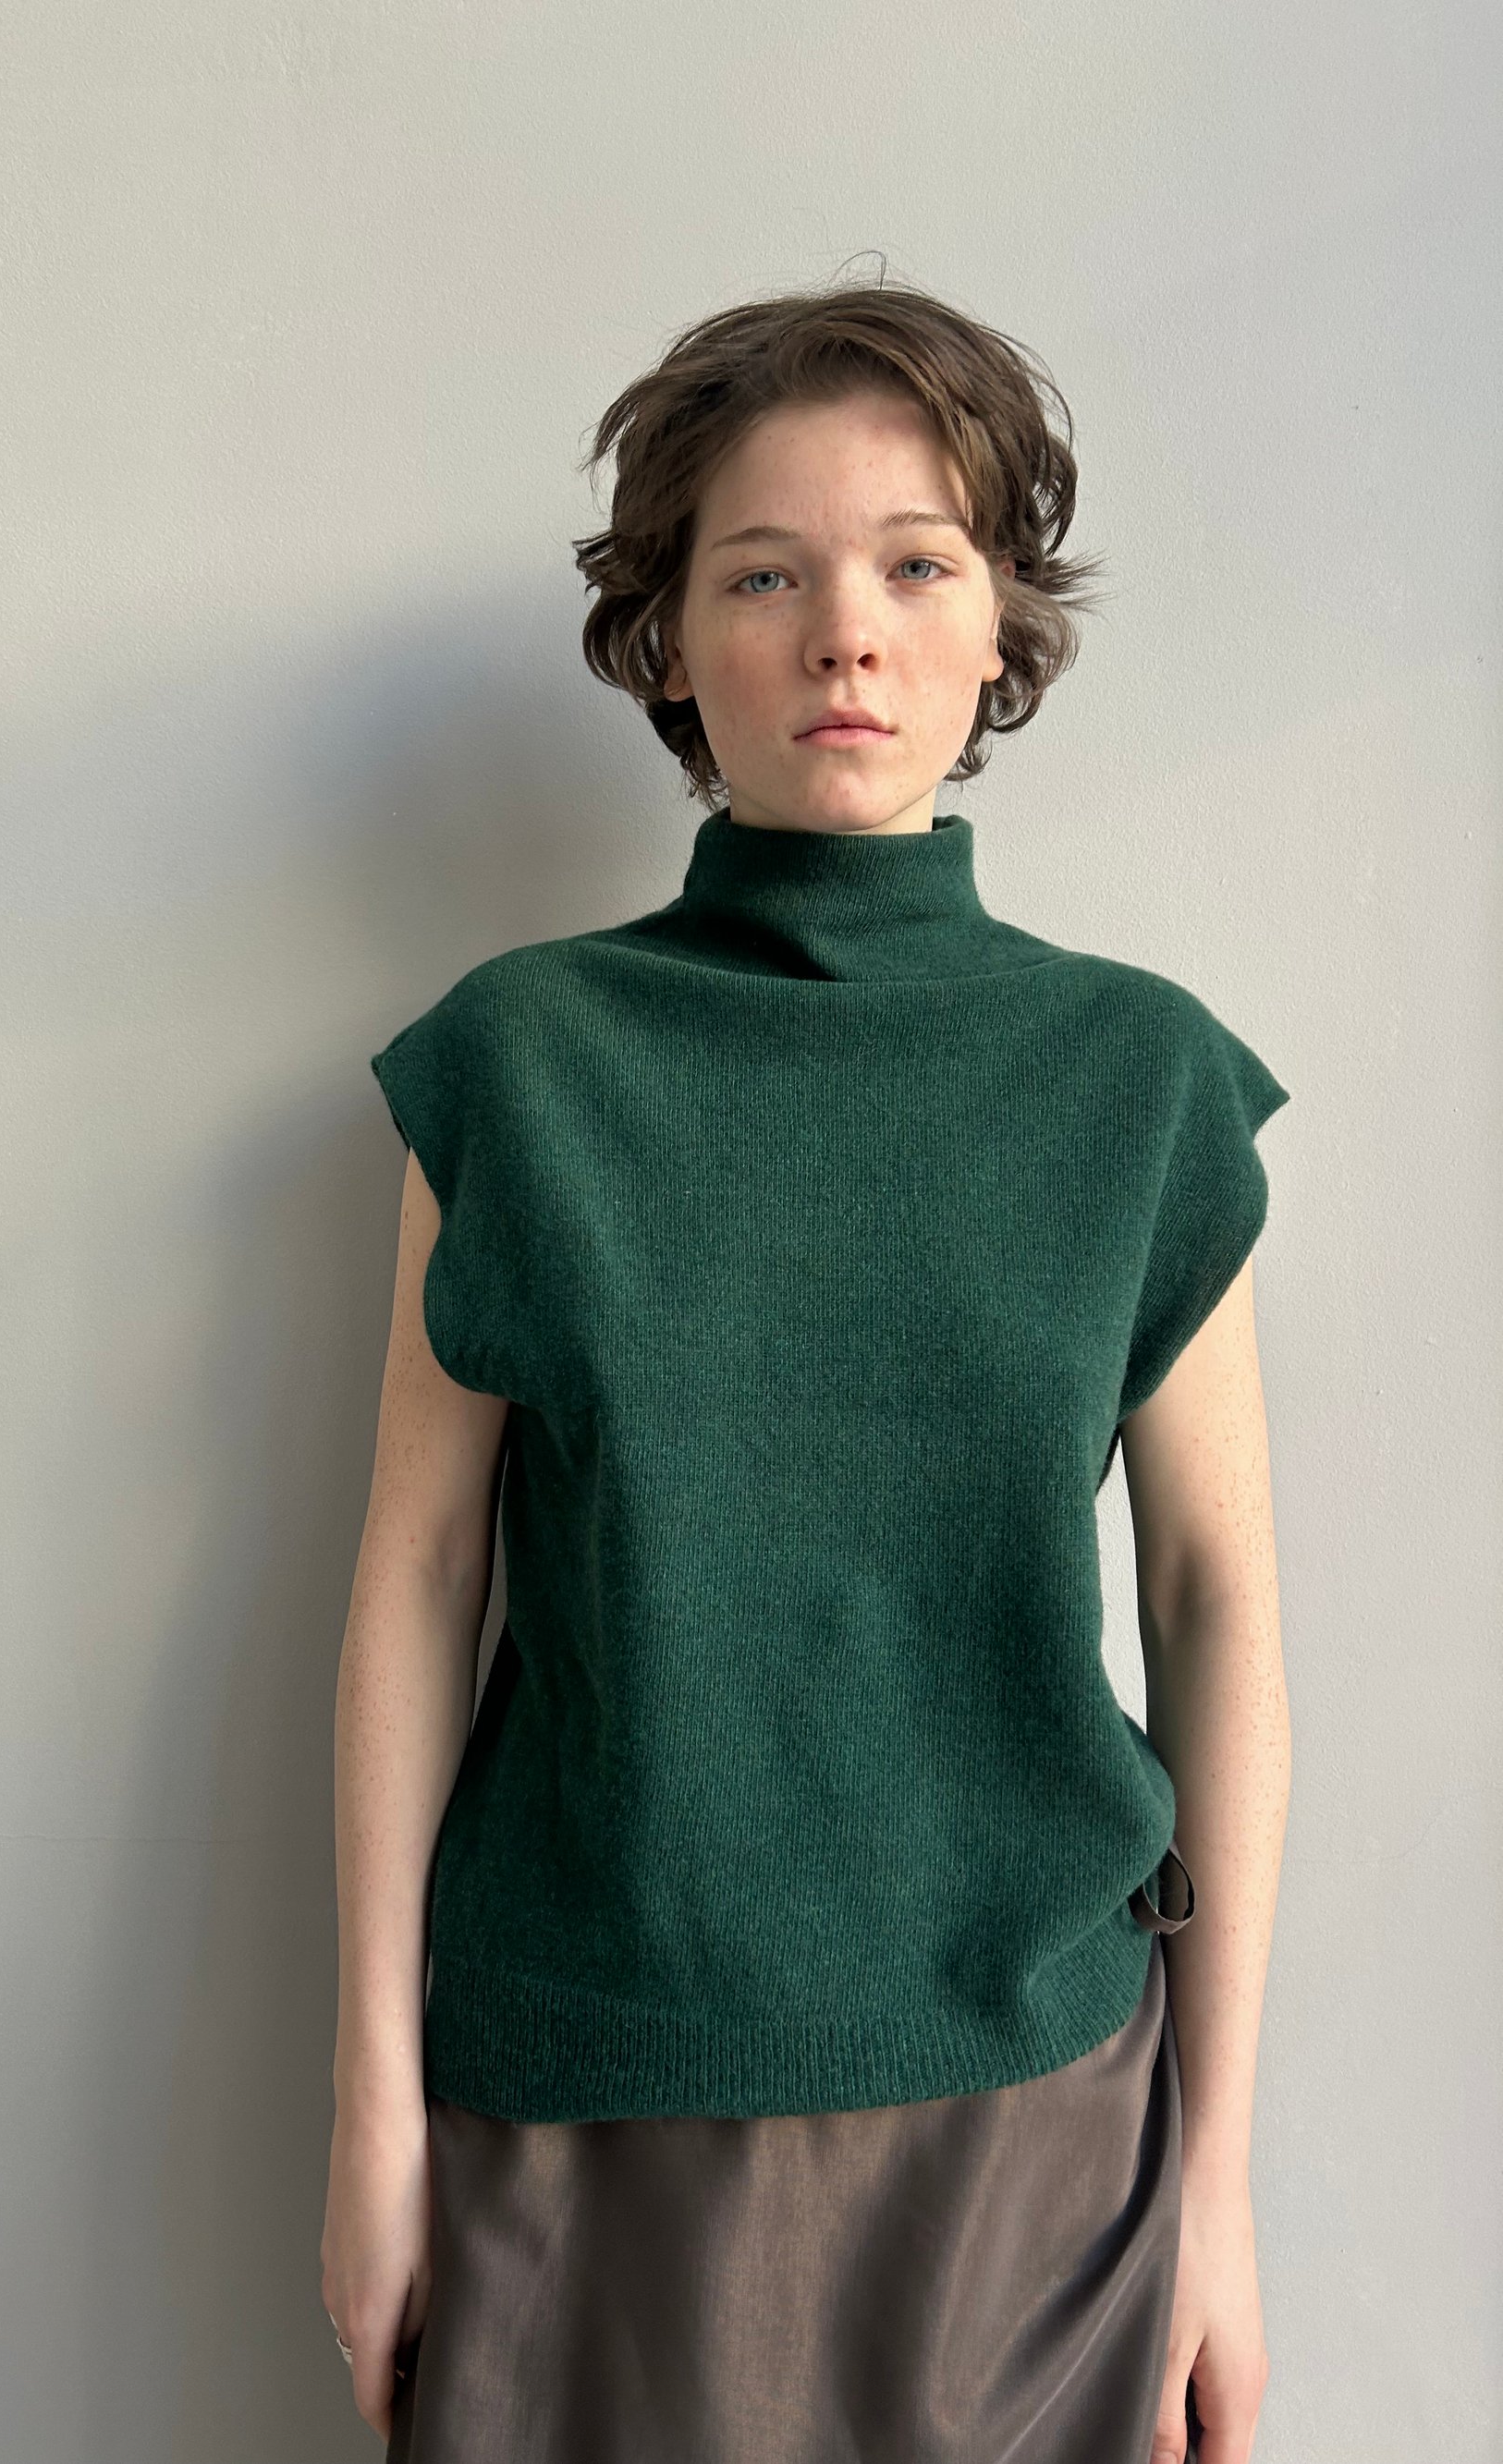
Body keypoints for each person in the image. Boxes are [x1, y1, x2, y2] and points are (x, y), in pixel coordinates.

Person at [321, 276, 1290, 2464]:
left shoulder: (1139, 1080)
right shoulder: (518, 1066)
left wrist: (1217, 2185)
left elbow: (1216, 1601)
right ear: (667, 640)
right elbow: (416, 1571)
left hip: (1037, 2126)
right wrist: (372, 2105)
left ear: (997, 628)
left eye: (915, 565)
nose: (845, 634)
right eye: (763, 575)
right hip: (577, 2098)